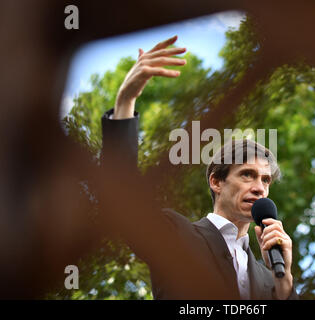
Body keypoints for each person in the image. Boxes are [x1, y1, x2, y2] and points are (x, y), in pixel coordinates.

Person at [101, 36, 298, 299]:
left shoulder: (268, 278)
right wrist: (125, 101)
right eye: (247, 175)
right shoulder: (176, 234)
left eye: (265, 180)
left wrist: (284, 283)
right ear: (217, 182)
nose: (260, 188)